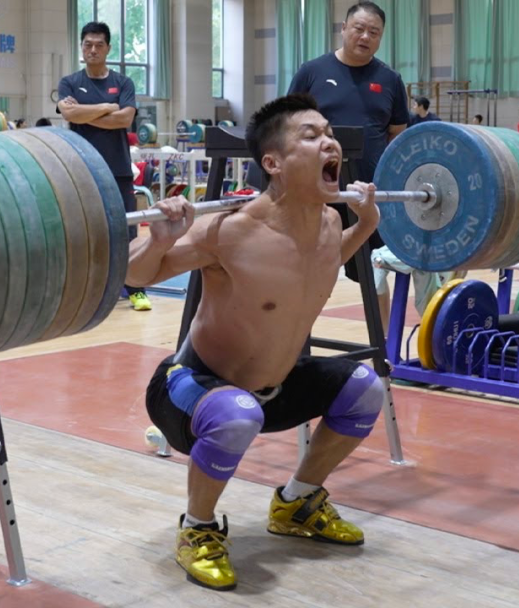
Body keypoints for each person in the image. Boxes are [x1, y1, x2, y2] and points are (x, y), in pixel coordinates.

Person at [134, 94, 385, 591]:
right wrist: (160, 238)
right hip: (188, 392)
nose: (329, 141)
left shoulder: (331, 222)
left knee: (365, 386)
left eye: (328, 133)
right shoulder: (230, 229)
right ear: (272, 163)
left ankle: (297, 503)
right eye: (310, 136)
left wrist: (368, 225)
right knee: (236, 413)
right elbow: (132, 274)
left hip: (272, 391)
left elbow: (325, 262)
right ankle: (197, 529)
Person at [285, 1, 409, 323]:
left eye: (374, 32)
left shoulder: (390, 79)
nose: (365, 36)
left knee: (375, 271)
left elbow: (397, 134)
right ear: (343, 28)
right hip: (316, 192)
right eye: (359, 28)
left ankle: (384, 349)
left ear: (381, 38)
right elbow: (288, 125)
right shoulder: (312, 72)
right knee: (306, 268)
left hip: (366, 193)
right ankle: (290, 342)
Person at [58, 21, 151, 311]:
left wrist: (83, 115)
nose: (93, 49)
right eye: (88, 44)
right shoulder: (70, 82)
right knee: (83, 230)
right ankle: (87, 292)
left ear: (108, 48)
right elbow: (66, 112)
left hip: (118, 168)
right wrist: (107, 107)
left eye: (99, 44)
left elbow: (124, 120)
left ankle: (135, 288)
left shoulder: (124, 83)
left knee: (127, 229)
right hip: (81, 169)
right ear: (81, 48)